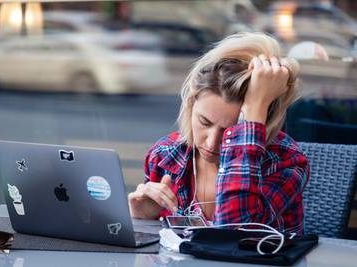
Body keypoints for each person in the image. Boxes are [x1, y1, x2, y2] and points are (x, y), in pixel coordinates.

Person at [128, 32, 310, 234]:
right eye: (204, 121)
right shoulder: (164, 155)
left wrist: (255, 108)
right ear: (190, 104)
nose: (212, 142)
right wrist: (141, 217)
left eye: (231, 131)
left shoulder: (285, 162)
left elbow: (234, 231)